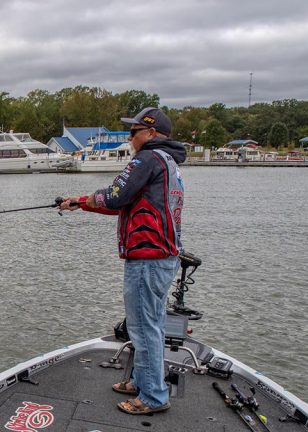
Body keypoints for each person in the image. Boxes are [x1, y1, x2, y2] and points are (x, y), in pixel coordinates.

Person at [59, 107, 186, 415]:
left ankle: (154, 396)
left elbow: (115, 195)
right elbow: (125, 204)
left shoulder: (147, 159)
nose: (130, 138)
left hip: (148, 258)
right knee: (147, 325)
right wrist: (80, 203)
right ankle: (142, 383)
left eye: (134, 132)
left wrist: (84, 199)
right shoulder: (167, 163)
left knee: (144, 328)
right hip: (160, 257)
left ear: (152, 134)